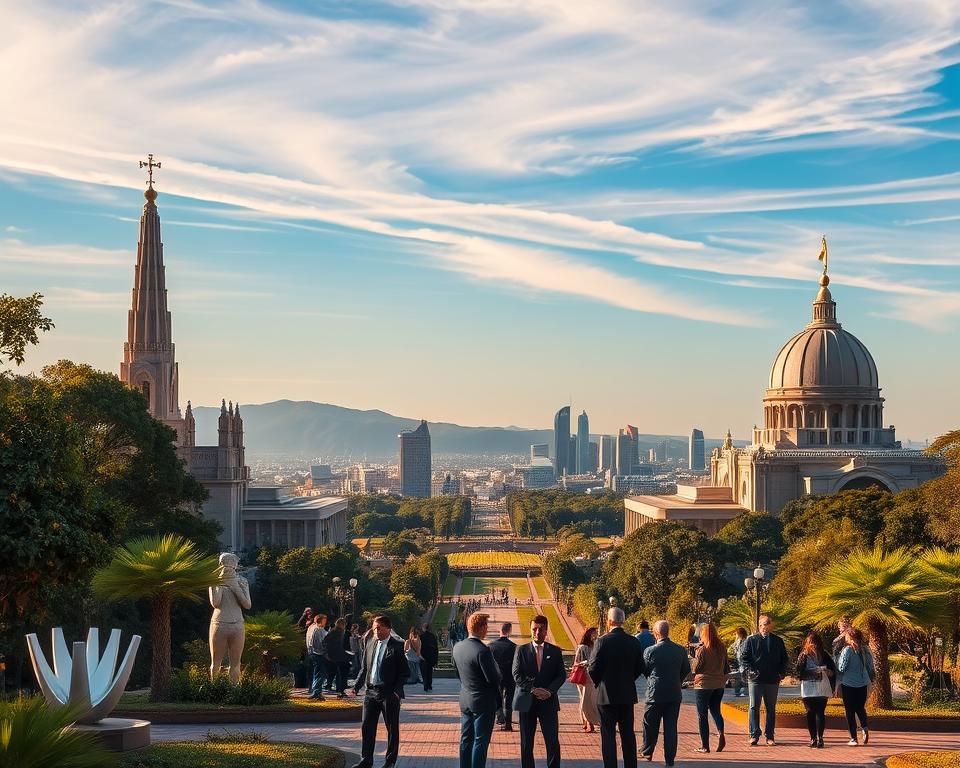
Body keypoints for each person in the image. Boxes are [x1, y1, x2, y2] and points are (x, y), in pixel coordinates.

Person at [588, 608, 644, 768]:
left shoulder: (602, 641)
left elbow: (592, 667)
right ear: (623, 621)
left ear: (609, 621)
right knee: (628, 734)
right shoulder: (633, 641)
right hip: (627, 694)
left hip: (606, 695)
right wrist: (628, 679)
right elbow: (640, 666)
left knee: (608, 736)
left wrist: (600, 682)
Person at [352, 614, 409, 768]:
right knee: (367, 727)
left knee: (392, 729)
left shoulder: (397, 646)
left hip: (389, 694)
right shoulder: (370, 643)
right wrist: (356, 686)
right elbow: (365, 667)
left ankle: (390, 762)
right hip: (370, 693)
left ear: (388, 628)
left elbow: (405, 673)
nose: (375, 630)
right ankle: (366, 760)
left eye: (378, 628)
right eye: (374, 627)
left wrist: (396, 692)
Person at [513, 614, 566, 768]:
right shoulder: (521, 650)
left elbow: (561, 675)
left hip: (548, 702)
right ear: (530, 629)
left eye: (540, 629)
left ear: (546, 630)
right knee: (526, 744)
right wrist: (534, 690)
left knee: (552, 742)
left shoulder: (555, 651)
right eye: (534, 629)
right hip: (527, 703)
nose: (537, 632)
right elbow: (516, 675)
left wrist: (549, 691)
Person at [637, 620, 689, 768]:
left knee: (649, 724)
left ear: (656, 633)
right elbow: (685, 669)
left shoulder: (650, 651)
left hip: (655, 693)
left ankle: (647, 750)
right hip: (674, 693)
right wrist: (676, 680)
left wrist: (653, 679)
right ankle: (669, 760)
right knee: (671, 727)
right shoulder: (680, 650)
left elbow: (645, 670)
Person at [452, 612, 501, 768]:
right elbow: (493, 679)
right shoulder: (483, 650)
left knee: (466, 739)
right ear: (482, 627)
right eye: (486, 626)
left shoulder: (458, 647)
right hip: (483, 701)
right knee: (480, 741)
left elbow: (457, 672)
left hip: (465, 698)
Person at [739, 614, 789, 746]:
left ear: (770, 625)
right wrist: (750, 670)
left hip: (772, 680)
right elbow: (744, 658)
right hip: (755, 680)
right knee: (754, 706)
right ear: (758, 626)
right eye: (761, 624)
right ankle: (754, 734)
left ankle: (770, 736)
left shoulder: (778, 641)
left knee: (770, 708)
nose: (763, 627)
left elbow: (784, 659)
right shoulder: (751, 640)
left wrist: (781, 673)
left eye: (766, 624)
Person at [690, 621, 729, 754]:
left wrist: (694, 655)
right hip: (719, 684)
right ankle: (721, 732)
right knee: (716, 711)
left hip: (703, 684)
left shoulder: (702, 649)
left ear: (704, 634)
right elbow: (726, 668)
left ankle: (705, 746)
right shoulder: (722, 648)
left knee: (702, 715)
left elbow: (696, 668)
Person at [795, 631, 835, 748]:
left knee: (820, 712)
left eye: (815, 643)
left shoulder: (824, 655)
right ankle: (813, 738)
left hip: (822, 686)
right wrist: (810, 672)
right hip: (808, 687)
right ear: (807, 643)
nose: (813, 645)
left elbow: (833, 670)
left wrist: (828, 672)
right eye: (811, 643)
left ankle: (820, 738)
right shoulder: (803, 655)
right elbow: (798, 671)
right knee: (810, 712)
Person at [836, 627, 875, 746]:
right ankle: (864, 727)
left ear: (850, 637)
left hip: (849, 683)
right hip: (863, 683)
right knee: (860, 708)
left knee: (849, 711)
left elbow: (842, 667)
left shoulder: (847, 650)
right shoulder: (865, 649)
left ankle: (853, 738)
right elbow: (870, 667)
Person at [490, 621, 517, 731]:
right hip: (510, 677)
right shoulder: (514, 647)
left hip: (496, 677)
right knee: (509, 700)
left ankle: (500, 718)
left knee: (497, 698)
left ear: (499, 630)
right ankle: (508, 724)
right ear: (510, 631)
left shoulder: (491, 646)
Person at [573, 626, 601, 733]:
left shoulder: (597, 646)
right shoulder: (582, 647)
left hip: (592, 677)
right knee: (584, 700)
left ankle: (590, 722)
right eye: (594, 633)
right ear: (589, 634)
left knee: (591, 701)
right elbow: (576, 662)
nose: (596, 635)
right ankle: (588, 723)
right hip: (584, 677)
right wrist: (585, 663)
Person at [323, 617, 349, 697]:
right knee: (341, 673)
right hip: (337, 655)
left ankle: (338, 688)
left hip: (335, 655)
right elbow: (326, 642)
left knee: (336, 672)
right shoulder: (336, 632)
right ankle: (341, 689)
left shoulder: (334, 631)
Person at [306, 613, 326, 700]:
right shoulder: (318, 629)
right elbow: (320, 643)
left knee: (315, 673)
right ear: (320, 620)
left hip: (311, 653)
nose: (325, 622)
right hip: (318, 654)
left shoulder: (311, 628)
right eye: (324, 620)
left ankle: (316, 691)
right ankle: (316, 692)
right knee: (320, 674)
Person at [420, 623, 439, 693]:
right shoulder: (432, 636)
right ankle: (429, 685)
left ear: (423, 628)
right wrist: (436, 659)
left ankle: (425, 686)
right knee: (429, 672)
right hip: (431, 657)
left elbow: (419, 648)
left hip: (423, 657)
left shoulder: (421, 636)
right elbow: (436, 648)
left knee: (424, 672)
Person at [729, 627, 748, 697]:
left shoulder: (747, 641)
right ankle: (737, 693)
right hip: (739, 664)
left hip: (745, 664)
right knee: (738, 679)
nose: (735, 636)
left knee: (744, 679)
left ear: (740, 634)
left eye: (736, 634)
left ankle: (744, 693)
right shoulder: (737, 642)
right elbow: (732, 650)